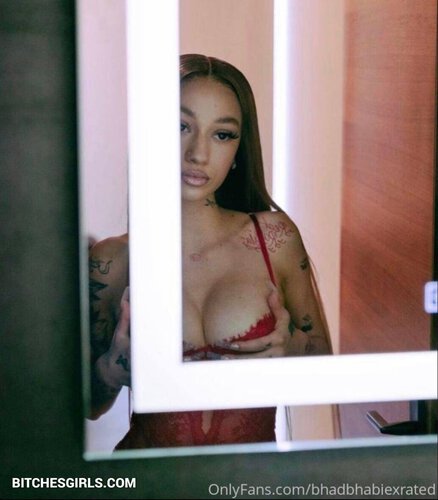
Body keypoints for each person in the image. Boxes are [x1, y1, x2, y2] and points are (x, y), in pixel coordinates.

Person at [87, 54, 332, 448]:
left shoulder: (275, 239)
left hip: (253, 478)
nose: (198, 154)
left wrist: (292, 347)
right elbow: (89, 406)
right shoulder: (113, 260)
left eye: (222, 135)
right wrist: (110, 371)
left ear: (239, 151)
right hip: (146, 477)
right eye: (180, 126)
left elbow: (326, 373)